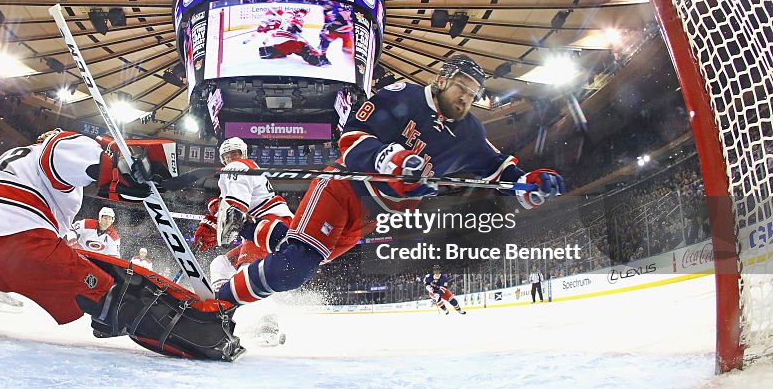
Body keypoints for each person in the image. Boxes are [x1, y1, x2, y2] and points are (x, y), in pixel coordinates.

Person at [0, 129, 242, 360]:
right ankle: (205, 329)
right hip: (21, 243)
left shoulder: (11, 158)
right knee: (116, 290)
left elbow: (106, 185)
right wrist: (122, 167)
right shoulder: (59, 145)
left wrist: (124, 182)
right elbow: (87, 162)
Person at [215, 55, 565, 306]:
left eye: (473, 95)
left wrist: (528, 182)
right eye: (461, 87)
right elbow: (351, 137)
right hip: (342, 188)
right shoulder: (404, 96)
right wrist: (391, 159)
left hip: (369, 220)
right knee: (294, 267)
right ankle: (222, 302)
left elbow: (500, 170)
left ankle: (247, 230)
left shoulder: (470, 132)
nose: (466, 99)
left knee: (299, 257)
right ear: (442, 80)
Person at [193, 137, 293, 290]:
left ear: (243, 154)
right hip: (261, 228)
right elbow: (233, 209)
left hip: (269, 225)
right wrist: (214, 220)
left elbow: (236, 211)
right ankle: (223, 300)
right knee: (220, 265)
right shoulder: (241, 171)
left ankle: (257, 309)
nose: (230, 158)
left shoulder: (237, 167)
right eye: (227, 156)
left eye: (234, 153)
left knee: (246, 272)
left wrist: (217, 226)